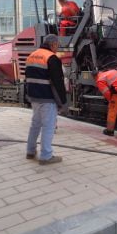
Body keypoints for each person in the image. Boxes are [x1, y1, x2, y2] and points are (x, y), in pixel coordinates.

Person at [25, 34, 67, 165]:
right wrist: (63, 102)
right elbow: (57, 82)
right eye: (57, 45)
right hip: (47, 97)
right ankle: (46, 156)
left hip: (34, 96)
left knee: (35, 125)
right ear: (53, 44)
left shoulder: (32, 55)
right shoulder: (51, 58)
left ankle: (30, 151)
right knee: (48, 126)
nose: (57, 48)